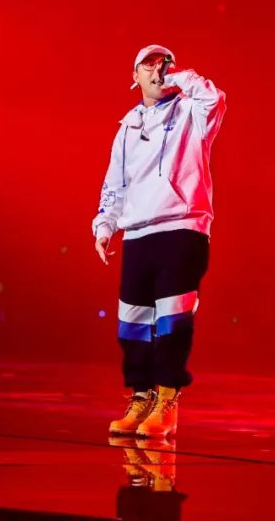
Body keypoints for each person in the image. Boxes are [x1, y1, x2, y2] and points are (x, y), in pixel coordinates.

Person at [92, 44, 227, 437]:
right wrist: (105, 226)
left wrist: (178, 76)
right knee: (132, 323)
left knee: (172, 320)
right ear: (134, 76)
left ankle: (167, 402)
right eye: (148, 65)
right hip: (139, 231)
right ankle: (141, 396)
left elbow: (215, 99)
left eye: (163, 63)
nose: (157, 70)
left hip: (182, 227)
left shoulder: (191, 112)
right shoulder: (127, 128)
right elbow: (115, 183)